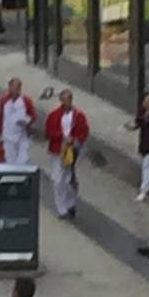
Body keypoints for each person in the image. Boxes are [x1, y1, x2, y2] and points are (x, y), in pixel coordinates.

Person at [44, 89, 90, 219]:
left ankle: (71, 204)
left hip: (72, 151)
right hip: (58, 151)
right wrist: (62, 137)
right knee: (58, 180)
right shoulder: (54, 115)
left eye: (68, 100)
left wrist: (75, 140)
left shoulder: (79, 116)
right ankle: (61, 208)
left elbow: (84, 132)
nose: (66, 103)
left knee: (70, 179)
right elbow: (48, 132)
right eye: (64, 100)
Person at [0, 77, 37, 165]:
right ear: (9, 87)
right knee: (10, 161)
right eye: (13, 88)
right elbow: (1, 116)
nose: (15, 91)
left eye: (18, 88)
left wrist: (26, 121)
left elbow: (33, 115)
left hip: (21, 137)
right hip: (8, 137)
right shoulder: (4, 100)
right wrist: (0, 132)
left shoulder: (26, 101)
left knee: (22, 161)